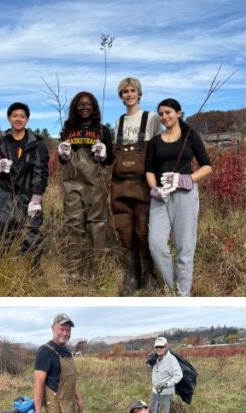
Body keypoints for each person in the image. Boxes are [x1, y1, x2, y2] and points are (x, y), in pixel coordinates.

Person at [145, 98, 212, 296]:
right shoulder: (155, 142)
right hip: (160, 197)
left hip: (185, 196)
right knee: (155, 244)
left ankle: (183, 293)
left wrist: (185, 179)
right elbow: (149, 170)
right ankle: (171, 283)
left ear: (179, 113)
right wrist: (154, 188)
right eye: (161, 114)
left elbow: (207, 166)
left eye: (168, 112)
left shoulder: (190, 137)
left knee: (185, 247)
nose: (164, 117)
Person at [112, 77, 163, 295]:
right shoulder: (119, 121)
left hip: (144, 186)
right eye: (125, 91)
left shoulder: (150, 118)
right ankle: (132, 277)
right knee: (125, 232)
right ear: (121, 95)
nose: (129, 94)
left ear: (139, 93)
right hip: (121, 187)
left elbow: (159, 149)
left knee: (144, 232)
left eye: (132, 90)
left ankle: (150, 277)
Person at [58, 92, 115, 278]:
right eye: (80, 104)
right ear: (75, 107)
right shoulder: (67, 129)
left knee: (96, 224)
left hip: (95, 183)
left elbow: (110, 160)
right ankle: (75, 270)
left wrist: (103, 154)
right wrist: (63, 155)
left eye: (88, 104)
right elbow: (63, 159)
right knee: (73, 224)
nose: (84, 107)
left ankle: (98, 271)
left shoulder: (102, 130)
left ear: (94, 107)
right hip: (72, 183)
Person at [0, 102, 49, 265]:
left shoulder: (37, 145)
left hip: (29, 195)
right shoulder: (1, 143)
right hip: (5, 194)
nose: (18, 119)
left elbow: (40, 172)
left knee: (31, 232)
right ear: (9, 118)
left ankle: (32, 269)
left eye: (22, 116)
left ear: (27, 119)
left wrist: (36, 199)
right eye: (15, 116)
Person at [149, 337, 183, 413]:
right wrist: (150, 363)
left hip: (165, 393)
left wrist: (167, 384)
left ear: (166, 346)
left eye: (161, 347)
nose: (159, 349)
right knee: (151, 412)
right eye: (157, 347)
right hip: (155, 391)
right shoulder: (155, 358)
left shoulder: (171, 359)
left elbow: (179, 375)